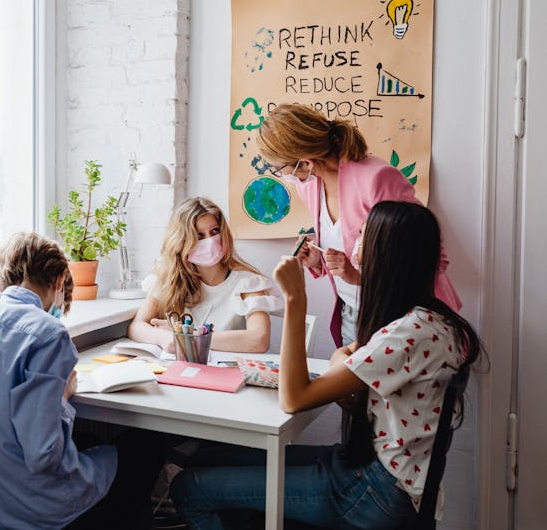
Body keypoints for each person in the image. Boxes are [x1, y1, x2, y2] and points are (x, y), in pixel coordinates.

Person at [170, 201, 484, 529]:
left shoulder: (409, 332)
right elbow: (350, 369)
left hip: (376, 488)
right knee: (207, 458)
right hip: (378, 472)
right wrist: (341, 358)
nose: (354, 246)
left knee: (190, 488)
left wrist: (296, 299)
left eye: (363, 236)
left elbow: (295, 398)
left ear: (387, 254)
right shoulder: (428, 321)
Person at [0, 232, 163, 530]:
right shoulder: (48, 334)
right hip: (40, 509)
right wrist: (62, 399)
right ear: (60, 280)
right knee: (147, 445)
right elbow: (44, 456)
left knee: (89, 441)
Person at [257, 103, 461, 347]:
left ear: (306, 163)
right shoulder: (309, 185)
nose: (285, 177)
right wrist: (318, 261)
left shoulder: (376, 178)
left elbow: (432, 259)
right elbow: (349, 249)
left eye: (282, 169)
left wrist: (357, 277)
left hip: (404, 318)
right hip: (352, 315)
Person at [127, 197, 280, 353]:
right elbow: (136, 326)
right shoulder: (169, 278)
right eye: (199, 235)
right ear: (181, 241)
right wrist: (163, 338)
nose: (210, 241)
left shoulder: (248, 282)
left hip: (228, 373)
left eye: (214, 231)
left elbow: (259, 340)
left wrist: (187, 335)